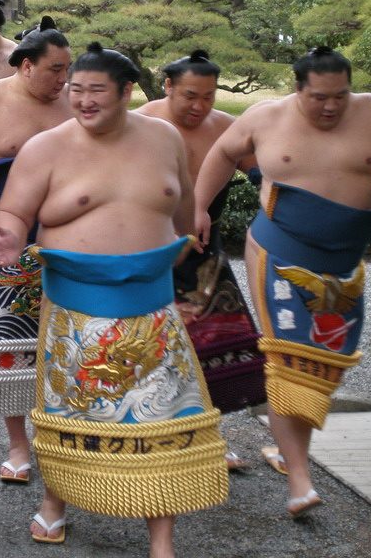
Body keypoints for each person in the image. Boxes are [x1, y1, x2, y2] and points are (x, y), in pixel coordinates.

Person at [0, 43, 228, 558]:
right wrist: (9, 237)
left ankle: (162, 538)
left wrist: (184, 245)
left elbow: (182, 205)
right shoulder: (46, 148)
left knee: (162, 422)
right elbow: (15, 212)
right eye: (76, 89)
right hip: (76, 308)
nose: (83, 100)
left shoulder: (163, 138)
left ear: (127, 91)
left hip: (153, 304)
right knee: (71, 415)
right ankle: (55, 501)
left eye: (96, 91)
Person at [192, 46, 371, 518]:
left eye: (340, 96)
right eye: (319, 97)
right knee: (288, 359)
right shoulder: (265, 118)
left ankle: (291, 450)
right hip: (278, 251)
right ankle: (299, 478)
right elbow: (222, 152)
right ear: (298, 88)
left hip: (344, 260)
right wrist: (199, 205)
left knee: (324, 361)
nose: (330, 106)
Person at [136, 50, 264, 470]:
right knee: (152, 345)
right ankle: (153, 433)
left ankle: (208, 434)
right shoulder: (139, 124)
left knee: (210, 343)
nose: (199, 106)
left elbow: (264, 176)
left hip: (206, 253)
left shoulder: (226, 128)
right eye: (190, 95)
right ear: (167, 86)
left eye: (208, 96)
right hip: (150, 249)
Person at [0, 16, 71, 484]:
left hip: (66, 235)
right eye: (55, 69)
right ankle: (18, 444)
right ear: (26, 66)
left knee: (67, 337)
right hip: (4, 235)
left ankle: (61, 432)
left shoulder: (75, 104)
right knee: (10, 340)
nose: (63, 79)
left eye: (67, 69)